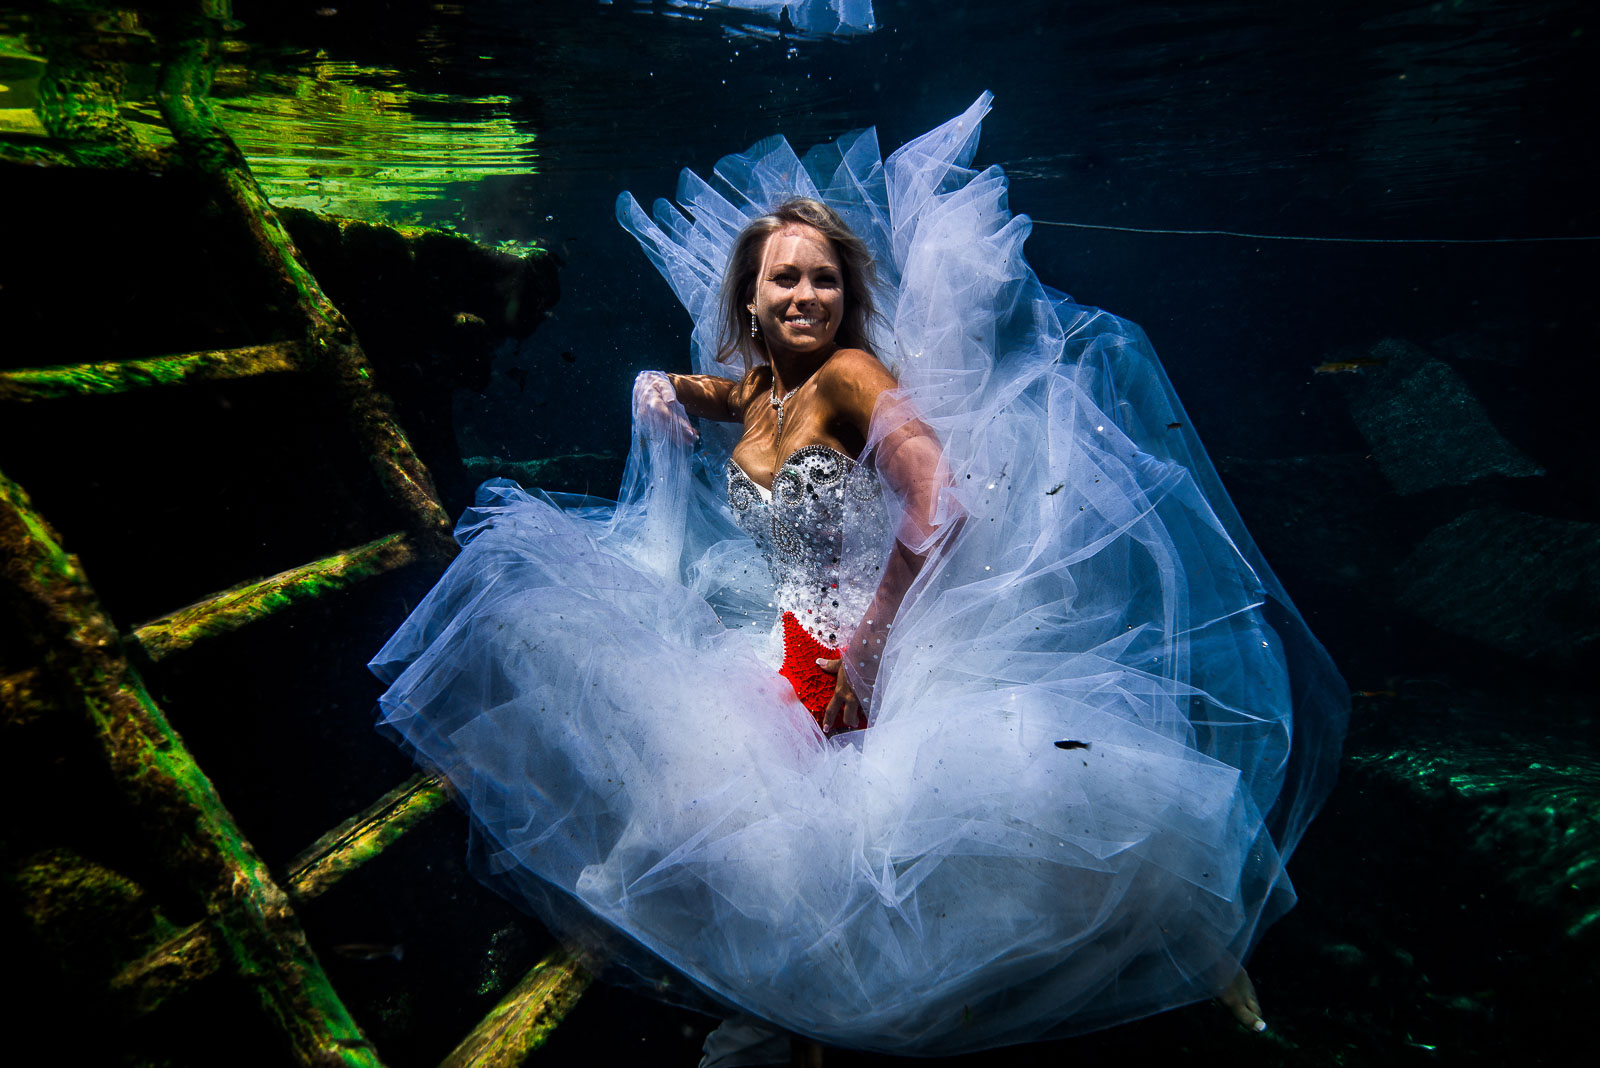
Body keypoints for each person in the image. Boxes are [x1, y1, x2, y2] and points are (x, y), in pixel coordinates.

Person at [370, 94, 1346, 1058]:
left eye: (825, 281)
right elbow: (707, 394)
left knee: (874, 833)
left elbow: (942, 504)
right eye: (783, 282)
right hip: (796, 639)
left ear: (848, 295)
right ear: (747, 298)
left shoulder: (851, 380)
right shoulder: (765, 386)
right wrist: (658, 392)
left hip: (860, 649)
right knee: (675, 782)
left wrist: (870, 645)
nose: (805, 299)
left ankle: (1183, 968)